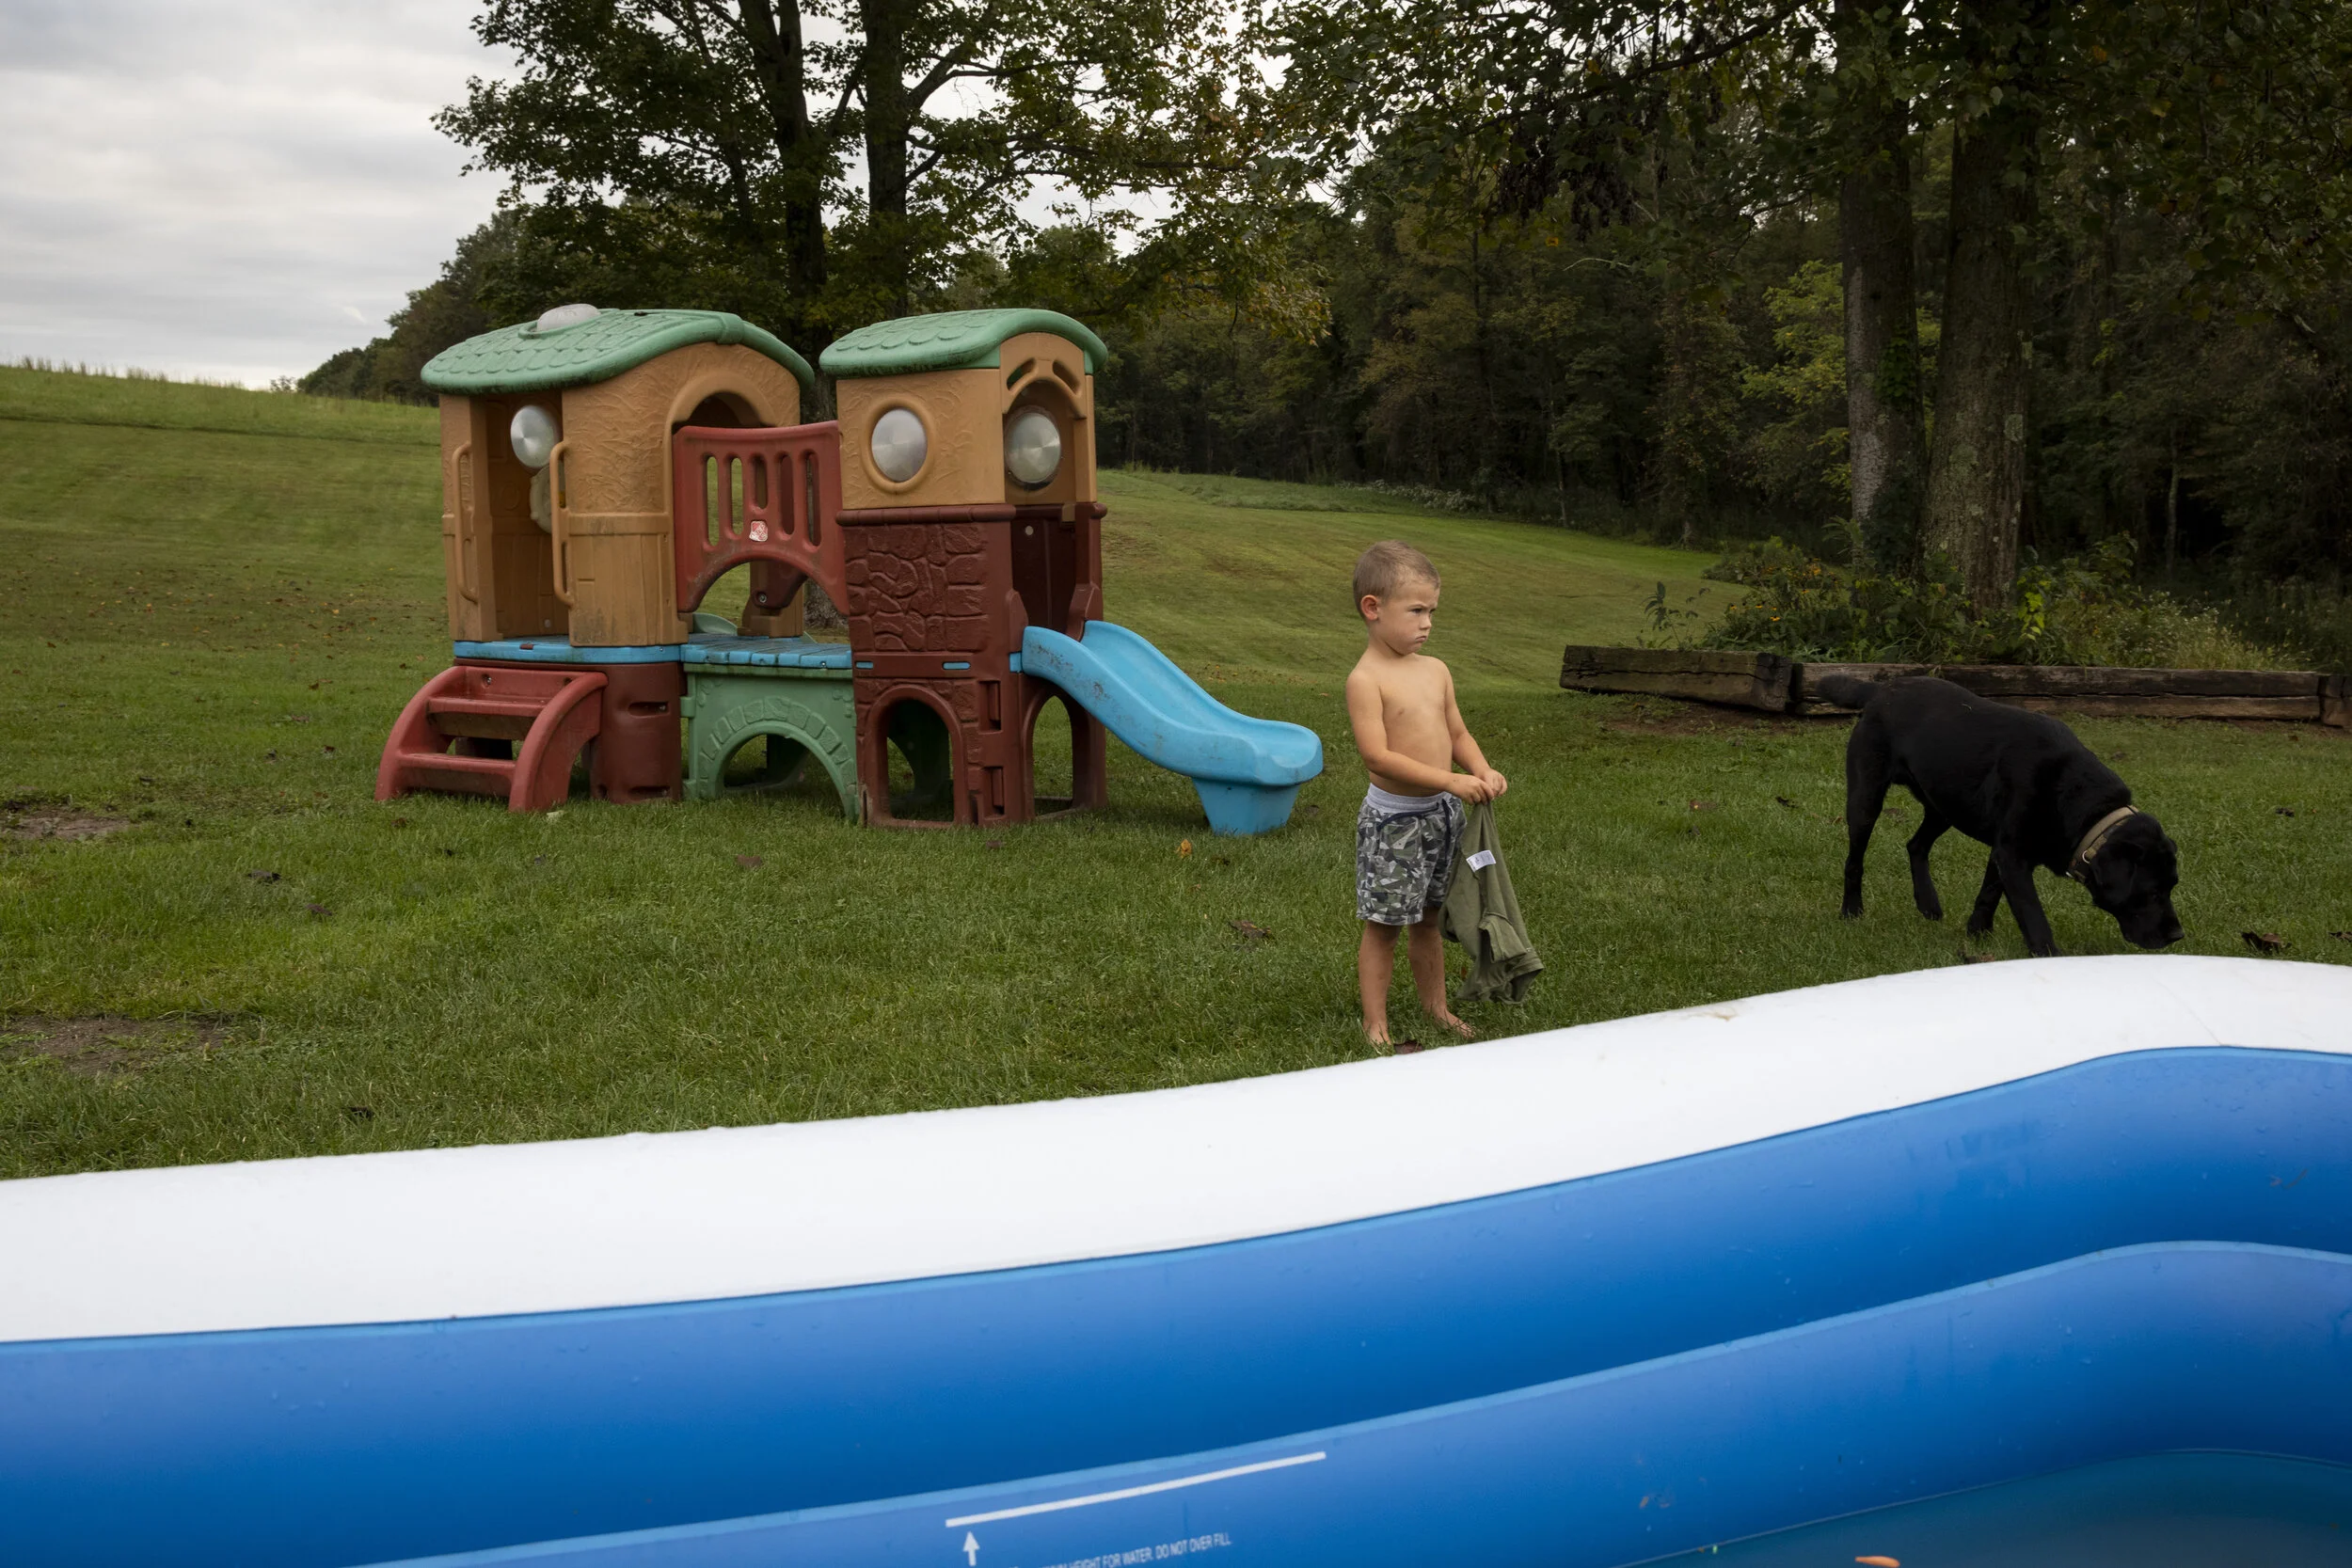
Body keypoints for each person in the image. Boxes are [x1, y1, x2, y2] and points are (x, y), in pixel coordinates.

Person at [1343, 540, 1507, 1050]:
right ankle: (1375, 1023)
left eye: (1431, 611)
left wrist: (1480, 768)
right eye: (1416, 610)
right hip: (1396, 823)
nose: (1427, 623)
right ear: (1373, 608)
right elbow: (1378, 757)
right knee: (1385, 925)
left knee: (1429, 919)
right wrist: (1450, 781)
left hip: (1442, 818)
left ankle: (1436, 1009)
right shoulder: (1366, 680)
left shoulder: (1436, 671)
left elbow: (1457, 733)